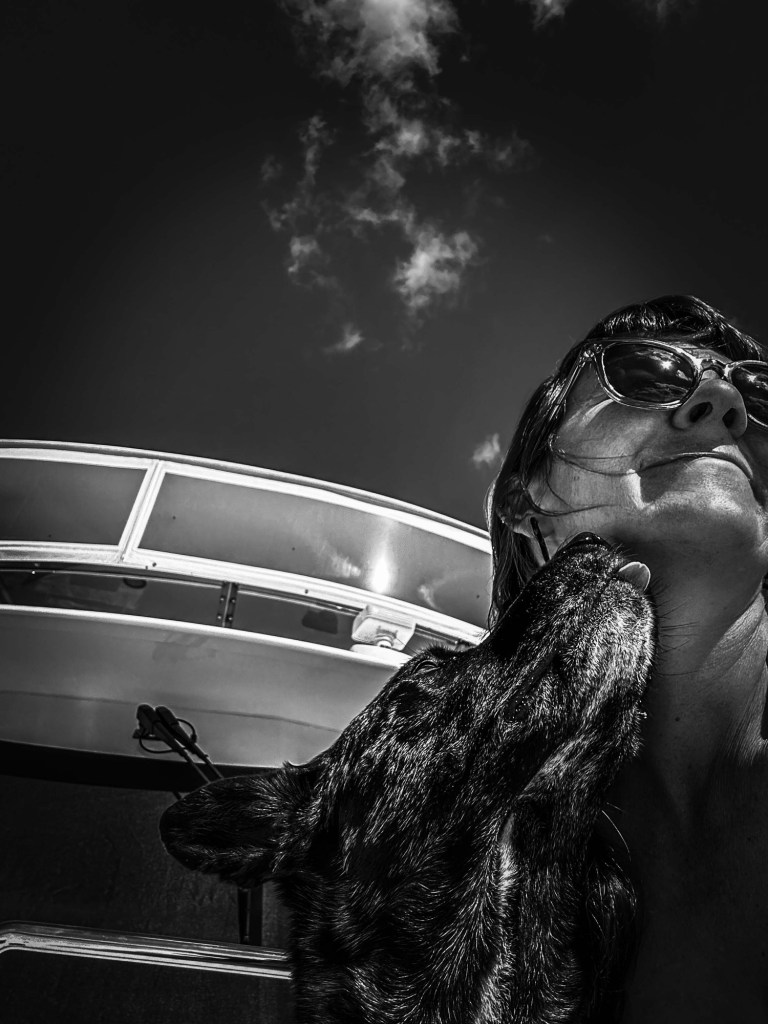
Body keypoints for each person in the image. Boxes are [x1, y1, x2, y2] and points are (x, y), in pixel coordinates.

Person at [488, 294, 768, 1022]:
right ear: (526, 499)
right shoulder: (467, 850)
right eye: (647, 373)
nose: (725, 401)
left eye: (759, 392)